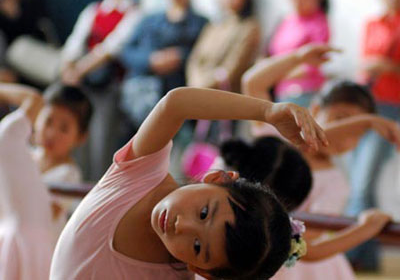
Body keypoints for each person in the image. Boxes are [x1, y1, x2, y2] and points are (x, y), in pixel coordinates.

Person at [50, 86, 328, 280]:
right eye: (204, 213)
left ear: (203, 271)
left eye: (197, 247)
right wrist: (267, 111)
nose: (182, 226)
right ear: (216, 178)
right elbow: (176, 104)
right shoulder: (140, 173)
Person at [242, 45, 399, 280]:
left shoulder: (336, 183)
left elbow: (308, 249)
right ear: (314, 110)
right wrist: (296, 57)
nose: (347, 134)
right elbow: (252, 82)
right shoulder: (276, 139)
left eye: (357, 131)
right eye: (342, 120)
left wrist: (366, 229)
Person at [0, 83, 91, 279]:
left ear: (81, 137)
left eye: (64, 128)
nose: (52, 133)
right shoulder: (25, 156)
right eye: (48, 122)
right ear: (37, 120)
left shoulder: (68, 174)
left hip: (38, 253)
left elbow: (44, 213)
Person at [61, 0, 140, 179]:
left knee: (102, 143)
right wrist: (69, 68)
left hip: (111, 86)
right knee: (77, 140)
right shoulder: (92, 11)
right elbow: (74, 43)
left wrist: (78, 70)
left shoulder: (135, 13)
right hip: (83, 83)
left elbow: (112, 48)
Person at [349, 0, 400, 270]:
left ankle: (353, 252)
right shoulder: (372, 23)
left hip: (391, 108)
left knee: (362, 182)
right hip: (365, 106)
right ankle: (364, 256)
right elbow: (362, 62)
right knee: (358, 180)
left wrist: (388, 67)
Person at [119, 0, 208, 131]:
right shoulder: (149, 20)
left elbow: (206, 55)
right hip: (142, 97)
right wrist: (150, 60)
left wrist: (179, 57)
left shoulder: (201, 23)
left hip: (180, 98)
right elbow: (126, 51)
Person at [186, 0, 261, 93]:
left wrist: (202, 85)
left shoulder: (249, 27)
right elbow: (195, 59)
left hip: (226, 93)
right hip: (197, 87)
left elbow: (233, 69)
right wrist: (195, 81)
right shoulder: (213, 26)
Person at [267, 0, 330, 107]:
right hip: (280, 90)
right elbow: (272, 53)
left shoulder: (319, 22)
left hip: (305, 91)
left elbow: (312, 65)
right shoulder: (287, 20)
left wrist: (275, 74)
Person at [0, 0, 54, 83]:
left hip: (33, 56)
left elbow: (39, 33)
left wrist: (16, 16)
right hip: (7, 63)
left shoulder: (34, 1)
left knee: (20, 47)